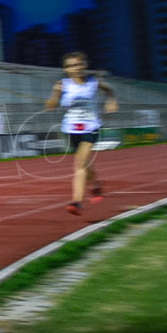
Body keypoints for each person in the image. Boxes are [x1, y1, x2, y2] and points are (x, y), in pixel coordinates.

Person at [45, 51, 118, 215]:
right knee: (85, 162)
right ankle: (97, 185)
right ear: (66, 69)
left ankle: (77, 201)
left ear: (85, 65)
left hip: (91, 127)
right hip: (71, 128)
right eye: (71, 66)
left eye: (79, 64)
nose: (75, 68)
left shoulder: (94, 82)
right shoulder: (62, 85)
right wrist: (55, 96)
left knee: (80, 163)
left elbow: (109, 90)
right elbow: (51, 104)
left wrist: (111, 102)